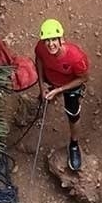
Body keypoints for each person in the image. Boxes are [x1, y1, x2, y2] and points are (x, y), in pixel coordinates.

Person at [35, 17, 91, 174]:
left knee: (73, 115)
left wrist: (59, 90)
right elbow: (39, 60)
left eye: (54, 39)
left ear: (61, 39)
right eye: (47, 40)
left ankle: (74, 144)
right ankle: (44, 100)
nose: (50, 44)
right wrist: (41, 85)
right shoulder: (41, 47)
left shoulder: (75, 58)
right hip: (50, 80)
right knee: (45, 96)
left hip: (69, 85)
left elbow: (83, 78)